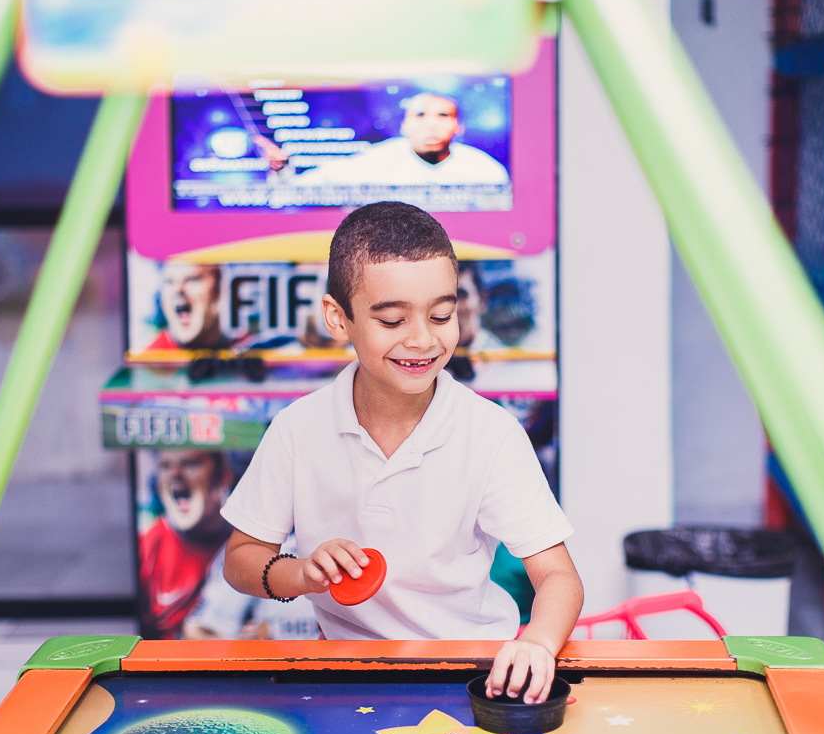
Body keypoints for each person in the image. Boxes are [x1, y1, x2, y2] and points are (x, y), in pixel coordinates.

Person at [221, 201, 582, 704]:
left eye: (442, 314)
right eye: (392, 320)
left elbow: (559, 575)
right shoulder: (297, 429)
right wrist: (301, 574)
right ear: (338, 318)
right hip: (347, 674)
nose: (423, 339)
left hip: (479, 669)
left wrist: (538, 643)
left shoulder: (490, 433)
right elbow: (241, 560)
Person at [294, 93, 510, 187]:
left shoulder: (485, 170)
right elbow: (314, 183)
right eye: (420, 116)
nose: (430, 125)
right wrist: (283, 171)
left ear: (458, 126)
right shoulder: (378, 159)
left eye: (442, 116)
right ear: (404, 126)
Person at [139, 449, 235, 639]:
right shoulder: (147, 546)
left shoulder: (248, 543)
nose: (176, 475)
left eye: (191, 463)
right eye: (165, 466)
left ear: (223, 475)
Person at [183, 537, 320, 641]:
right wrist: (247, 651)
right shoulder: (256, 547)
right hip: (279, 674)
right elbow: (197, 630)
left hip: (337, 672)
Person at [148, 261, 233, 350]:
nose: (178, 289)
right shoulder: (149, 359)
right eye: (169, 282)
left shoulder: (243, 350)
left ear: (218, 291)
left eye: (192, 279)